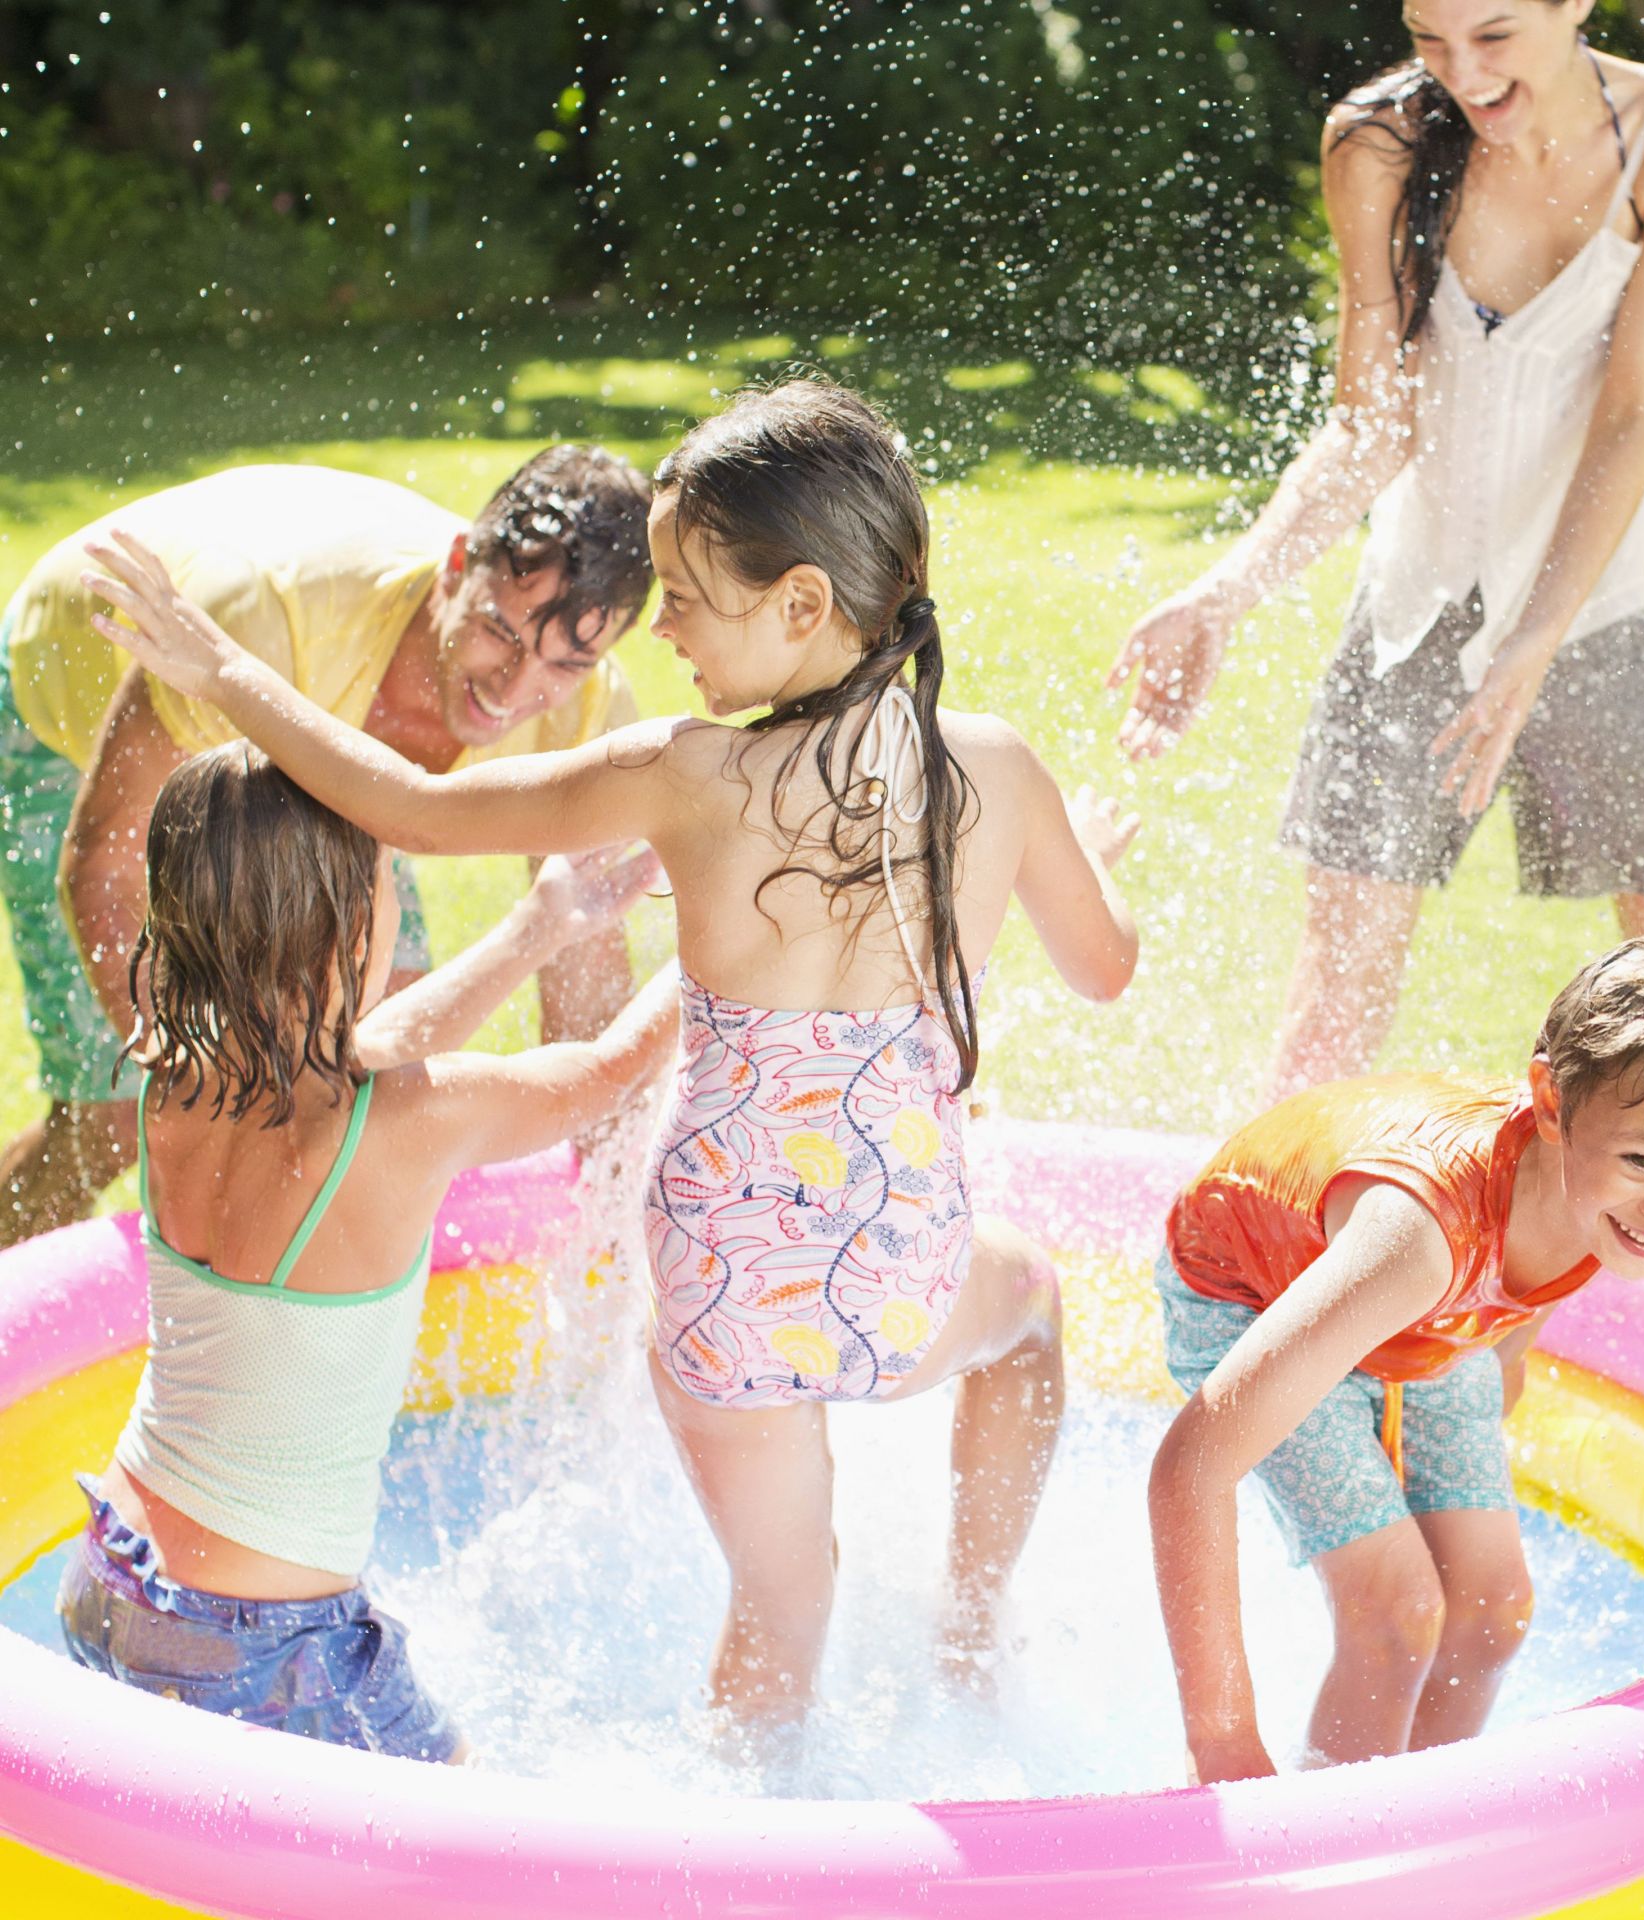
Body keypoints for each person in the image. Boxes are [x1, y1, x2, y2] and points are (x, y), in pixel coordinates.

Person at [82, 375, 1143, 1732]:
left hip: (717, 1298)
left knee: (778, 1615)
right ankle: (974, 1642)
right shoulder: (995, 768)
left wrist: (223, 673)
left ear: (803, 604)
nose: (672, 630)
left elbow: (412, 804)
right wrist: (1072, 864)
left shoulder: (680, 774)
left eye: (689, 596)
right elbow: (1105, 969)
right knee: (1032, 1312)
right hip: (895, 1276)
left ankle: (723, 1843)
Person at [1105, 2, 1644, 1355]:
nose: (1464, 74)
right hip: (1417, 610)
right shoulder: (1379, 142)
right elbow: (1369, 424)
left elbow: (1632, 410)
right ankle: (1258, 1318)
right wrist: (1230, 588)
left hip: (1608, 607)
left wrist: (1536, 639)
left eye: (1496, 32)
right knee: (1337, 986)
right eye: (1432, 35)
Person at [59, 740, 677, 1761]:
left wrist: (537, 930)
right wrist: (731, 940)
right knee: (472, 1854)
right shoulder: (406, 1123)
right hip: (260, 1644)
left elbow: (367, 1044)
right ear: (353, 924)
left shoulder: (178, 1072)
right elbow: (608, 1071)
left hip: (114, 1575)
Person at [1148, 939, 1644, 1782]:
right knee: (1397, 1608)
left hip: (1424, 1319)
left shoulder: (1601, 1205)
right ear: (1551, 1104)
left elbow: (1518, 1316)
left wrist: (1485, 1392)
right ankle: (1325, 1865)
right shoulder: (1420, 1238)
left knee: (1492, 1610)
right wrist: (1222, 1738)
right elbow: (1190, 1468)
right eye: (1642, 1160)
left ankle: (1424, 1840)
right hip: (1257, 1290)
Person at [0, 450, 657, 1246]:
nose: (515, 690)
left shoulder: (586, 710)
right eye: (498, 632)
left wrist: (611, 1197)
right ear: (456, 567)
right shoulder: (269, 618)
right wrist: (198, 1093)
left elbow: (585, 973)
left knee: (380, 1078)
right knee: (114, 1116)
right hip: (74, 696)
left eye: (565, 663)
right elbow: (104, 862)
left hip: (328, 747)